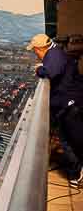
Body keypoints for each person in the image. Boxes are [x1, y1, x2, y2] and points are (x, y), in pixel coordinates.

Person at [35, 33, 83, 185]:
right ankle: (76, 172)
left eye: (35, 50)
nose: (35, 53)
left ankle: (77, 172)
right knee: (68, 139)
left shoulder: (54, 55)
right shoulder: (55, 53)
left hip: (70, 105)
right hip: (68, 104)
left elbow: (50, 72)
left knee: (72, 140)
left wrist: (39, 70)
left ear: (41, 48)